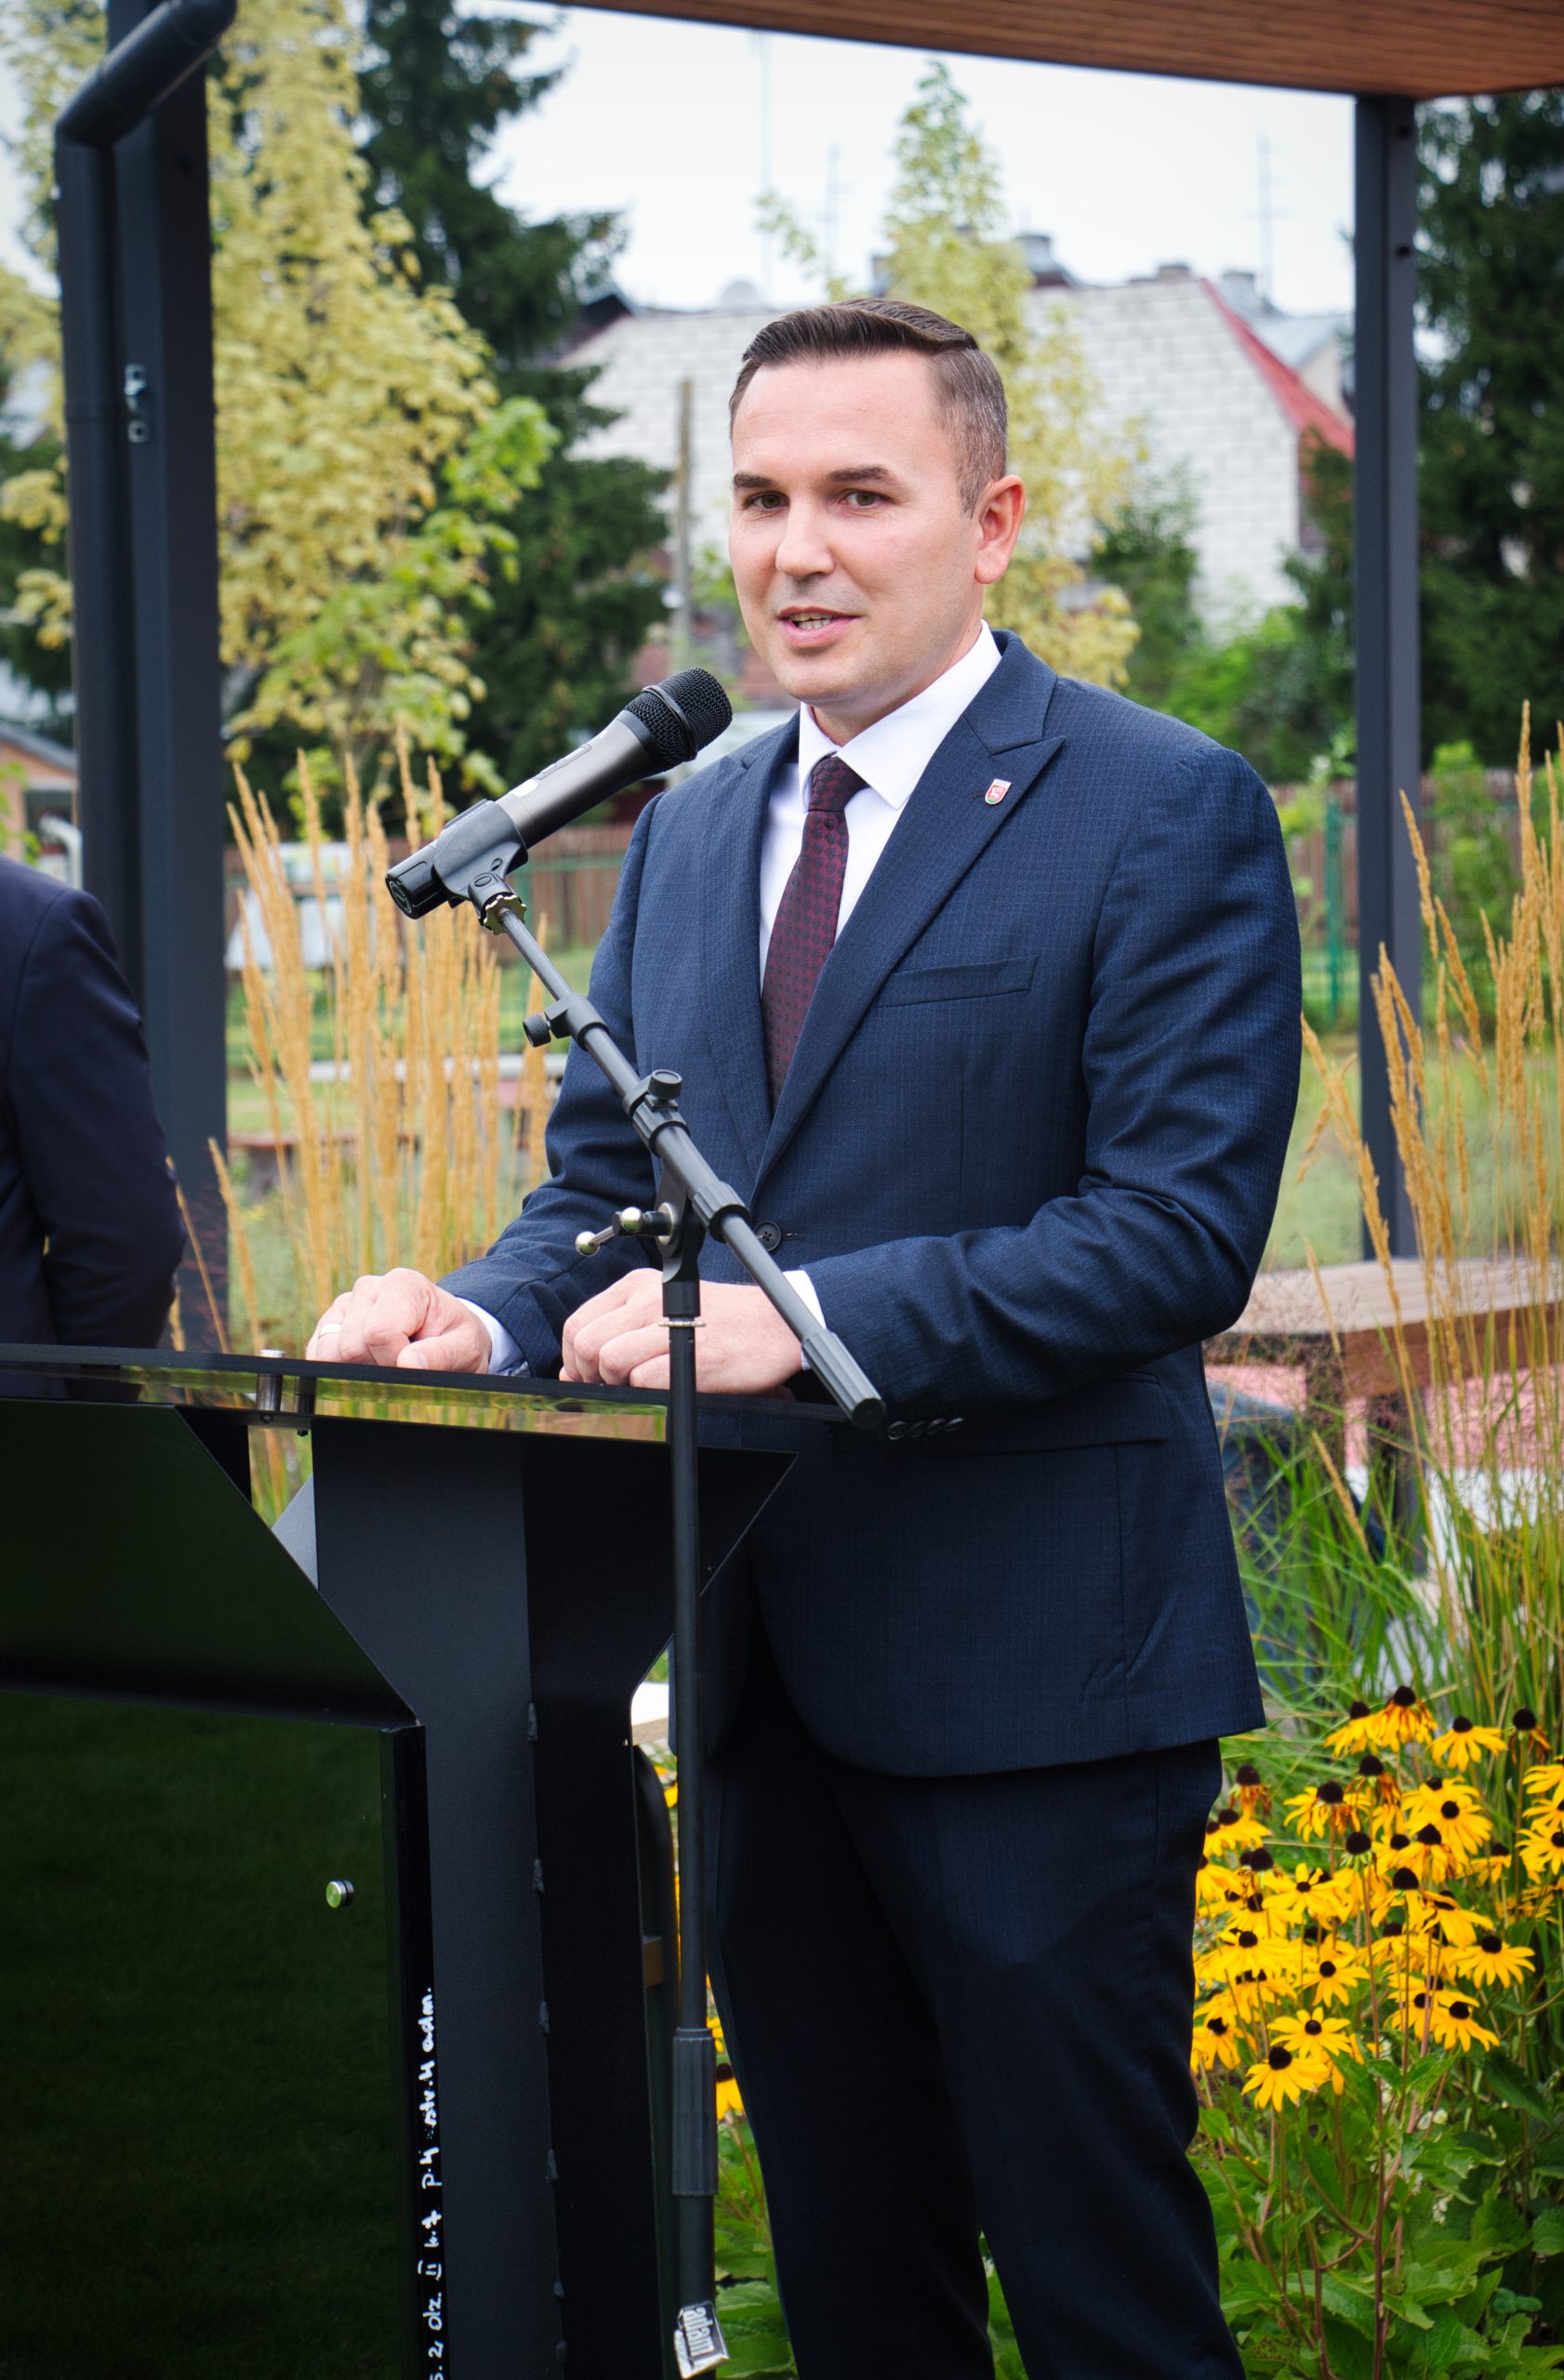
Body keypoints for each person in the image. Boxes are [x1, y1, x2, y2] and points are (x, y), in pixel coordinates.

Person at [310, 298, 1301, 2377]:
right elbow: (612, 1191)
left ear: (991, 520)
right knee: (858, 2300)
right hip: (761, 1686)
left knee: (1105, 2298)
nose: (797, 552)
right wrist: (476, 1314)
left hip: (1043, 1696)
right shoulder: (690, 826)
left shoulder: (1158, 803)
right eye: (760, 500)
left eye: (861, 494)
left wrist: (811, 1315)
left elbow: (1173, 1232)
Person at [0, 853, 183, 1382]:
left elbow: (123, 1248)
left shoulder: (32, 931)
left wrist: (70, 1406)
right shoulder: (27, 922)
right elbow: (127, 1243)